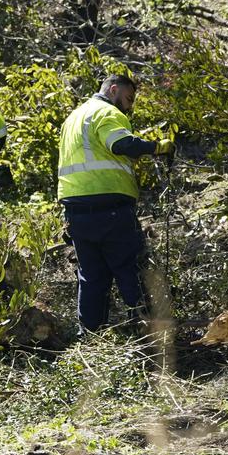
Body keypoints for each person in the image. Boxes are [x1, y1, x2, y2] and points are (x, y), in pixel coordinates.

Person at [57, 74, 175, 332]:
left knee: (91, 277)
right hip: (109, 208)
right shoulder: (106, 112)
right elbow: (121, 144)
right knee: (129, 269)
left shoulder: (73, 117)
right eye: (129, 98)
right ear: (113, 90)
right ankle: (148, 332)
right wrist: (157, 147)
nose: (130, 106)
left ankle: (90, 336)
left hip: (76, 211)